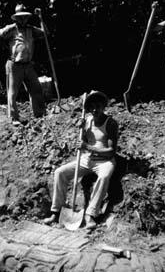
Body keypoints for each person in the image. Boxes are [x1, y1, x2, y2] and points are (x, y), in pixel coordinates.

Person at [44, 91, 118, 230]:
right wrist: (82, 131)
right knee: (60, 172)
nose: (95, 110)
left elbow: (111, 152)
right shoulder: (87, 121)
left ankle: (90, 214)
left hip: (104, 162)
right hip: (87, 159)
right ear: (88, 108)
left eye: (98, 106)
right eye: (92, 107)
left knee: (104, 176)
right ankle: (56, 211)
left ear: (103, 106)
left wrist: (88, 147)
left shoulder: (111, 123)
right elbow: (83, 143)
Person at [0, 4, 46, 125]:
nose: (23, 20)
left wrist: (41, 18)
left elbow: (44, 34)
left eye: (25, 17)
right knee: (13, 92)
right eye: (20, 17)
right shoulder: (11, 29)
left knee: (36, 88)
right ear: (16, 18)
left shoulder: (31, 29)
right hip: (14, 65)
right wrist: (5, 45)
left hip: (28, 64)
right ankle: (14, 118)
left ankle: (39, 113)